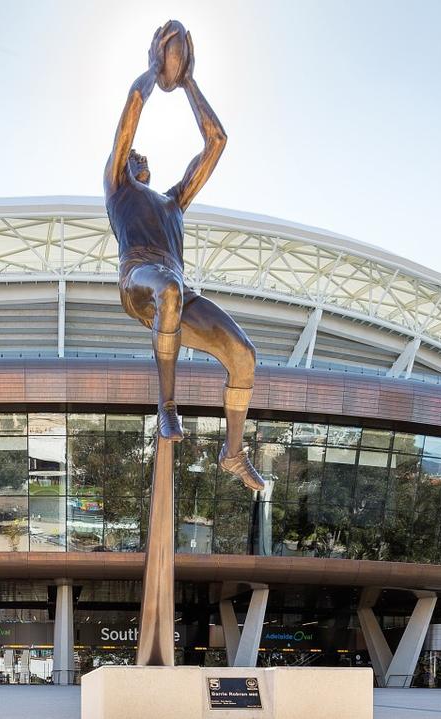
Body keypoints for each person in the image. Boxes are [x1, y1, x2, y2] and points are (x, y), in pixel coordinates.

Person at [103, 22, 263, 492]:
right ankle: (167, 407)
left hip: (176, 293)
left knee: (245, 356)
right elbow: (132, 106)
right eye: (132, 156)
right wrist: (156, 72)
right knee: (168, 290)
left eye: (141, 157)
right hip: (140, 280)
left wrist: (188, 80)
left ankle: (233, 453)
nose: (138, 158)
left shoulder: (172, 203)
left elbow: (217, 143)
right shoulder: (119, 189)